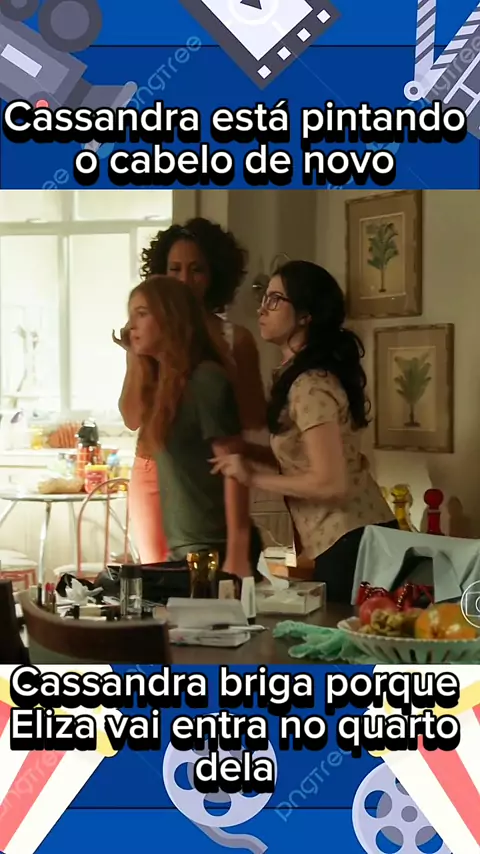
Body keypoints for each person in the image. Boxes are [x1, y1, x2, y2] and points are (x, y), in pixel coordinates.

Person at [211, 260, 396, 603]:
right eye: (263, 298)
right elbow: (305, 463)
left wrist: (253, 476)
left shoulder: (310, 385)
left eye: (275, 299)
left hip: (351, 542)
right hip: (346, 540)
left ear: (305, 315)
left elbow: (331, 483)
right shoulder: (302, 377)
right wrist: (250, 453)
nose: (262, 309)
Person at [115, 217, 266, 567]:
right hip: (153, 465)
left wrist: (210, 386)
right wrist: (137, 358)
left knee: (200, 577)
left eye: (197, 269)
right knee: (159, 576)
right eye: (174, 269)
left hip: (203, 469)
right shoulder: (147, 335)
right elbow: (132, 418)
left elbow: (253, 419)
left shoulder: (233, 340)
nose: (184, 279)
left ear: (215, 275)